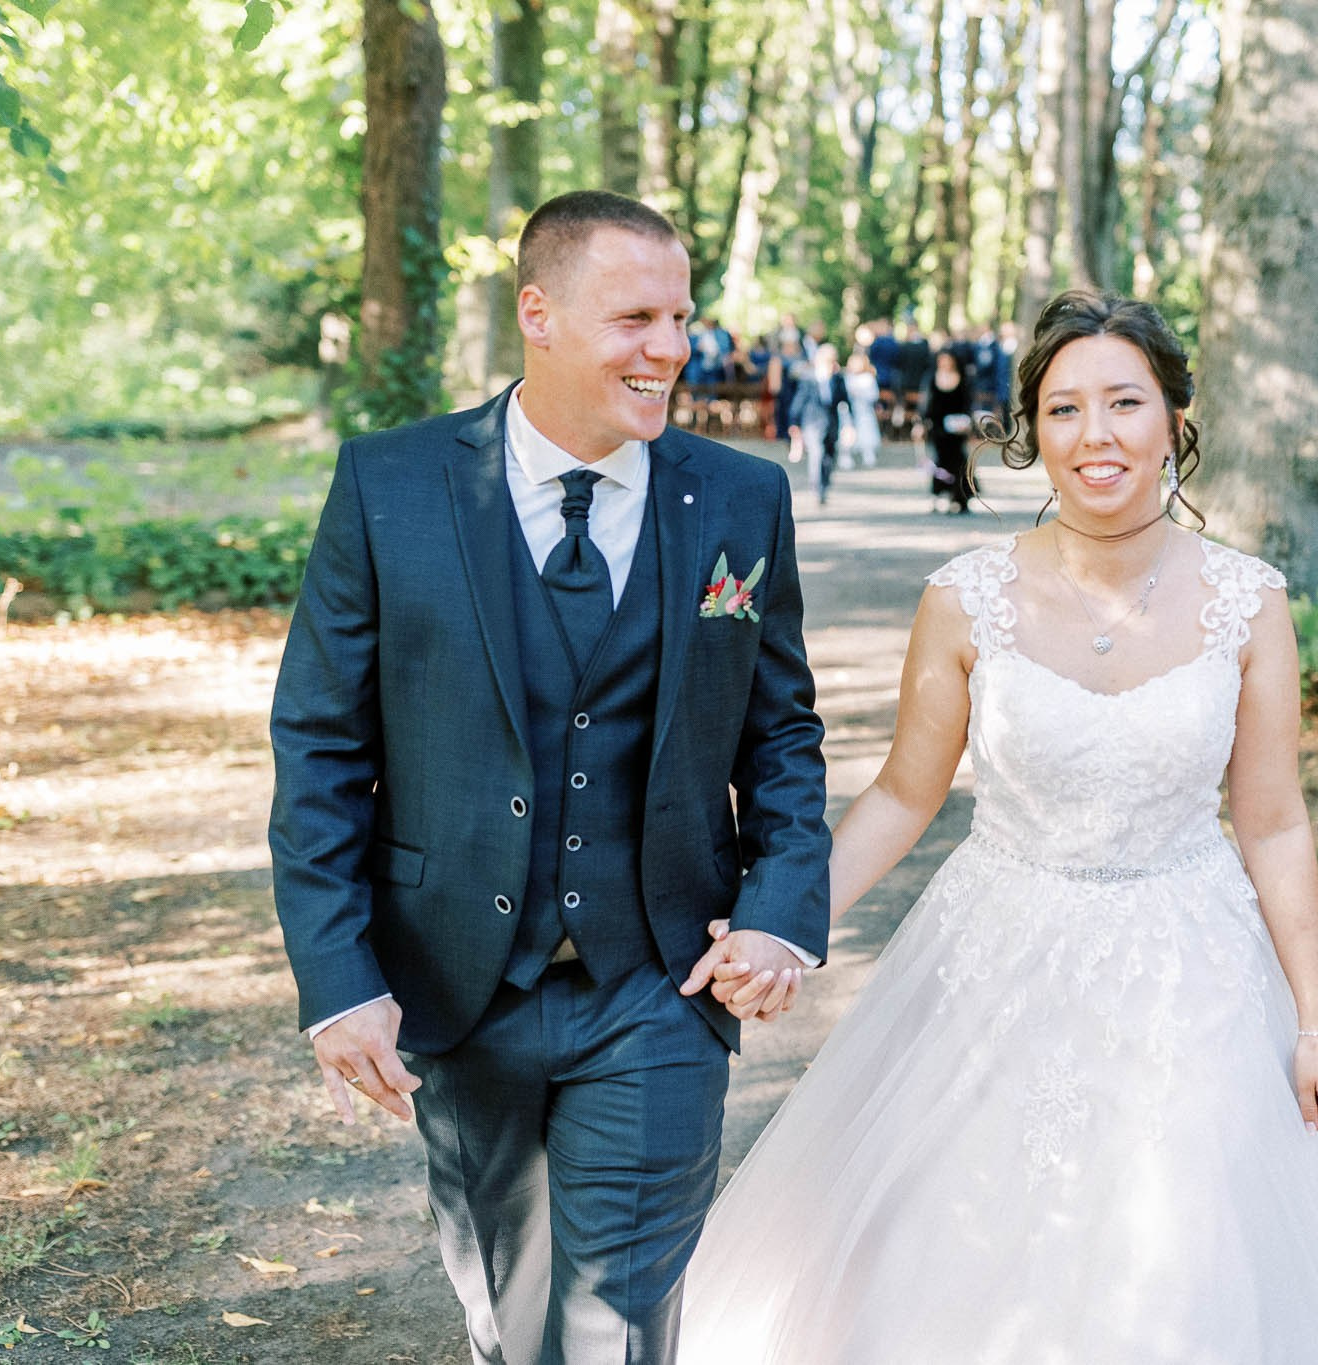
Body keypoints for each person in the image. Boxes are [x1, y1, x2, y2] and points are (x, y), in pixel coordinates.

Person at [677, 288, 1318, 1363]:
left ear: (1173, 418)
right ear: (1033, 431)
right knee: (959, 1242)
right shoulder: (965, 598)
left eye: (1123, 402)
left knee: (1183, 1252)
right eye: (1063, 409)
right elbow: (900, 795)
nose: (1094, 435)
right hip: (994, 959)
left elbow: (1271, 824)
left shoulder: (1247, 602)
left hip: (1193, 976)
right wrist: (783, 924)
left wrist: (1312, 1022)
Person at [268, 189, 831, 1365]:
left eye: (680, 316)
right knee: (509, 1318)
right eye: (635, 318)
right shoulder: (391, 486)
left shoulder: (740, 499)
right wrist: (336, 979)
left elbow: (778, 735)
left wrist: (781, 917)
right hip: (455, 985)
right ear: (538, 313)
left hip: (661, 987)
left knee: (620, 1323)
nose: (670, 348)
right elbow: (321, 745)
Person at [787, 343, 851, 505]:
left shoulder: (838, 379)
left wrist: (850, 423)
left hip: (831, 423)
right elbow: (799, 401)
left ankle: (826, 483)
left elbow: (845, 401)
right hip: (812, 423)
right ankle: (817, 488)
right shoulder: (809, 379)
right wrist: (794, 422)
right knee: (817, 454)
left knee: (829, 456)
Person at [919, 349, 975, 514]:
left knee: (958, 462)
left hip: (957, 429)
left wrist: (967, 422)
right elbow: (926, 405)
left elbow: (967, 403)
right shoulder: (932, 379)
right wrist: (922, 424)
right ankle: (939, 494)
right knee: (940, 461)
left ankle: (958, 496)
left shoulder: (963, 379)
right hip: (938, 429)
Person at [841, 350, 882, 469]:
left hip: (864, 409)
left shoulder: (868, 378)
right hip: (847, 410)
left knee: (866, 430)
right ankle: (846, 455)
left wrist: (861, 394)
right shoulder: (846, 377)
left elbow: (874, 395)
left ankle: (868, 453)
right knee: (846, 431)